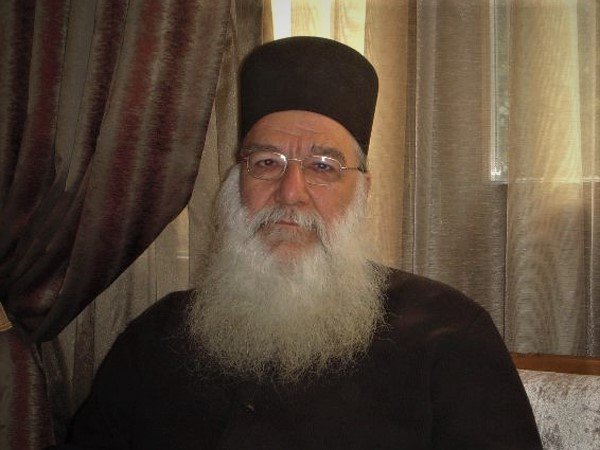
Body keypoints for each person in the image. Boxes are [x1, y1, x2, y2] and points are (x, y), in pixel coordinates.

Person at [59, 37, 542, 449]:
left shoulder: (450, 333)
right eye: (266, 163)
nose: (290, 193)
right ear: (235, 183)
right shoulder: (156, 335)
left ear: (363, 191)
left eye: (323, 167)